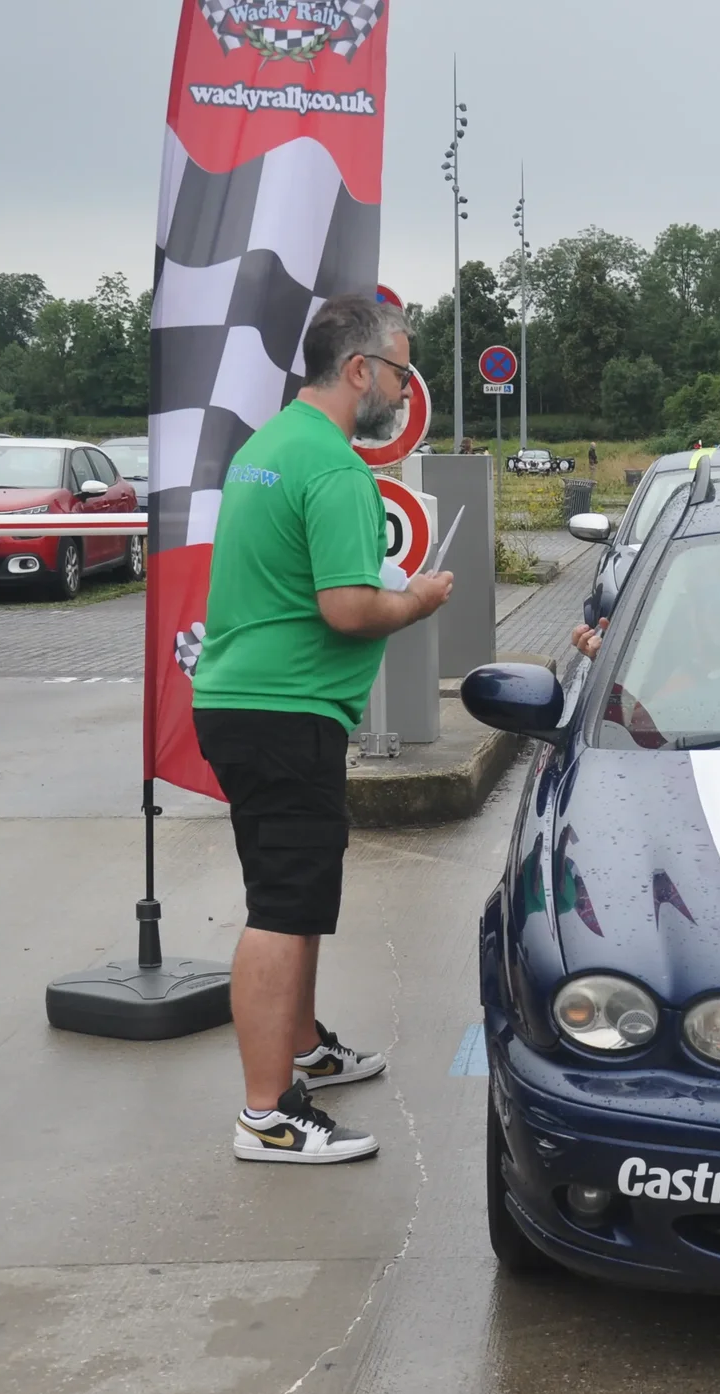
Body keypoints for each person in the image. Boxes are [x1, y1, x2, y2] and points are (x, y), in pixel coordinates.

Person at [192, 292, 456, 1164]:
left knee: (295, 897)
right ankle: (267, 1114)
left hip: (244, 701)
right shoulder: (336, 468)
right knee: (281, 907)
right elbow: (348, 607)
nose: (406, 390)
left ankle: (302, 1049)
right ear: (359, 370)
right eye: (401, 372)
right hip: (287, 710)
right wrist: (417, 600)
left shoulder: (268, 447)